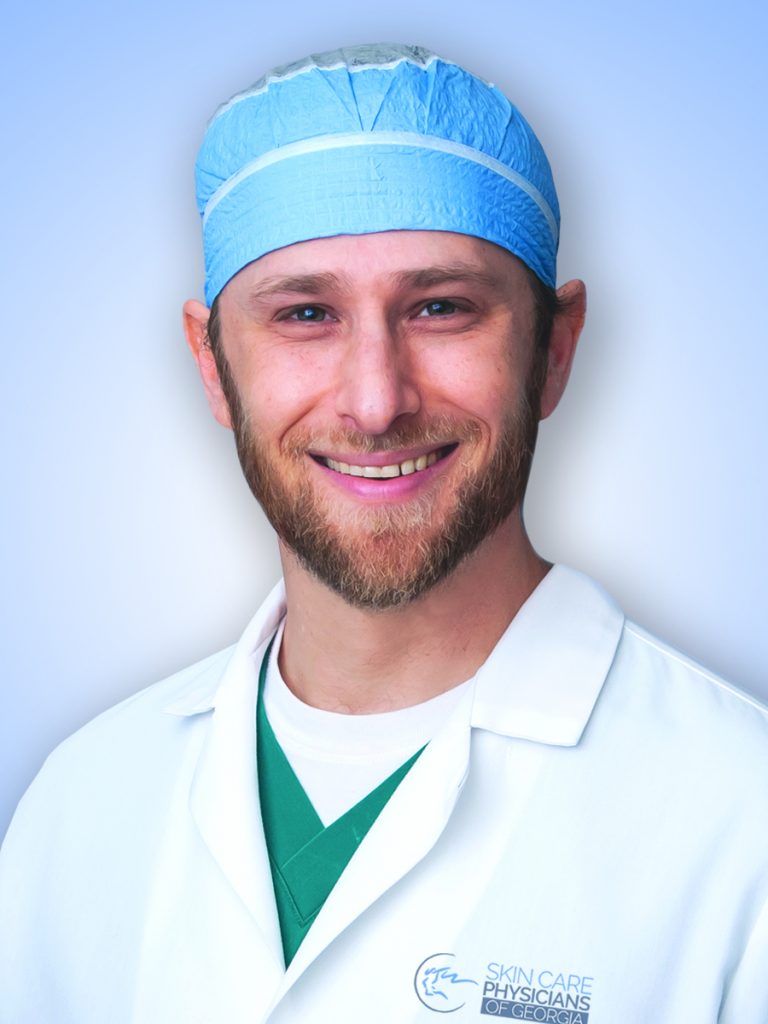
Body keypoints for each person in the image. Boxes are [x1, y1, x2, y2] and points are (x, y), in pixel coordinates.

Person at [1, 42, 766, 1024]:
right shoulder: (84, 803)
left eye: (441, 308)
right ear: (211, 361)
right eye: (305, 314)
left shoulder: (739, 819)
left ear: (554, 348)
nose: (375, 400)